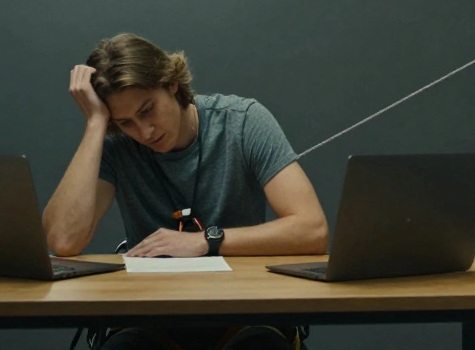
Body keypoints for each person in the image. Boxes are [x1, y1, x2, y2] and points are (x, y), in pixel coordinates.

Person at [43, 33, 329, 350]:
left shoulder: (243, 122)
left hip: (243, 317)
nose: (144, 132)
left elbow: (312, 229)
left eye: (147, 110)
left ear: (171, 83)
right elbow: (63, 240)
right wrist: (96, 124)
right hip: (151, 320)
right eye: (125, 122)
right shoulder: (115, 144)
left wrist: (204, 241)